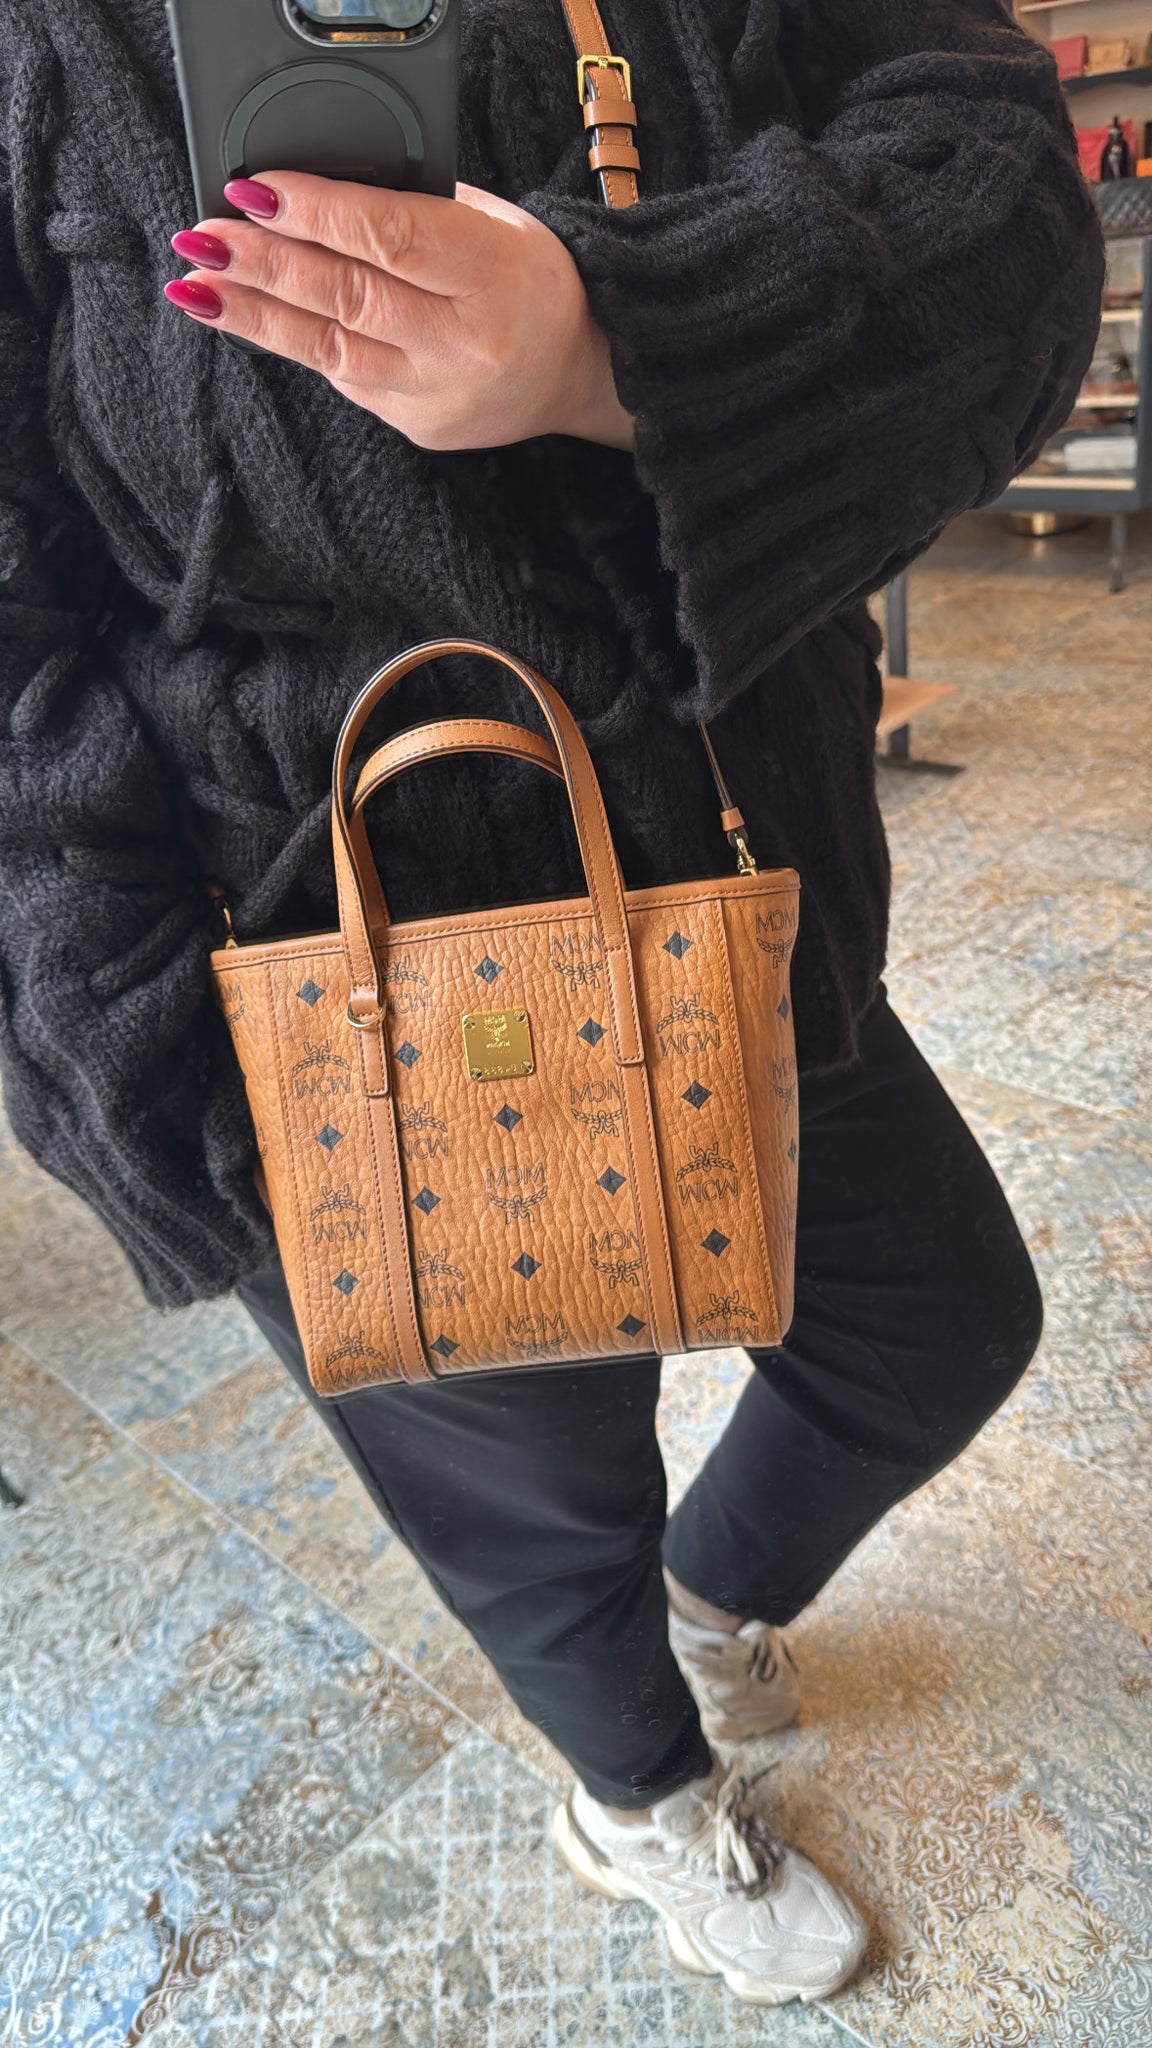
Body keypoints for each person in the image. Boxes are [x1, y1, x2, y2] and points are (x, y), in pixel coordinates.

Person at [0, 0, 1101, 2010]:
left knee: (939, 1316)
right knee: (535, 1510)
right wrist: (140, 1059)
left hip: (730, 907)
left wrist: (614, 342)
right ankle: (640, 1796)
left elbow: (1012, 199)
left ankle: (711, 1599)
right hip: (334, 1000)